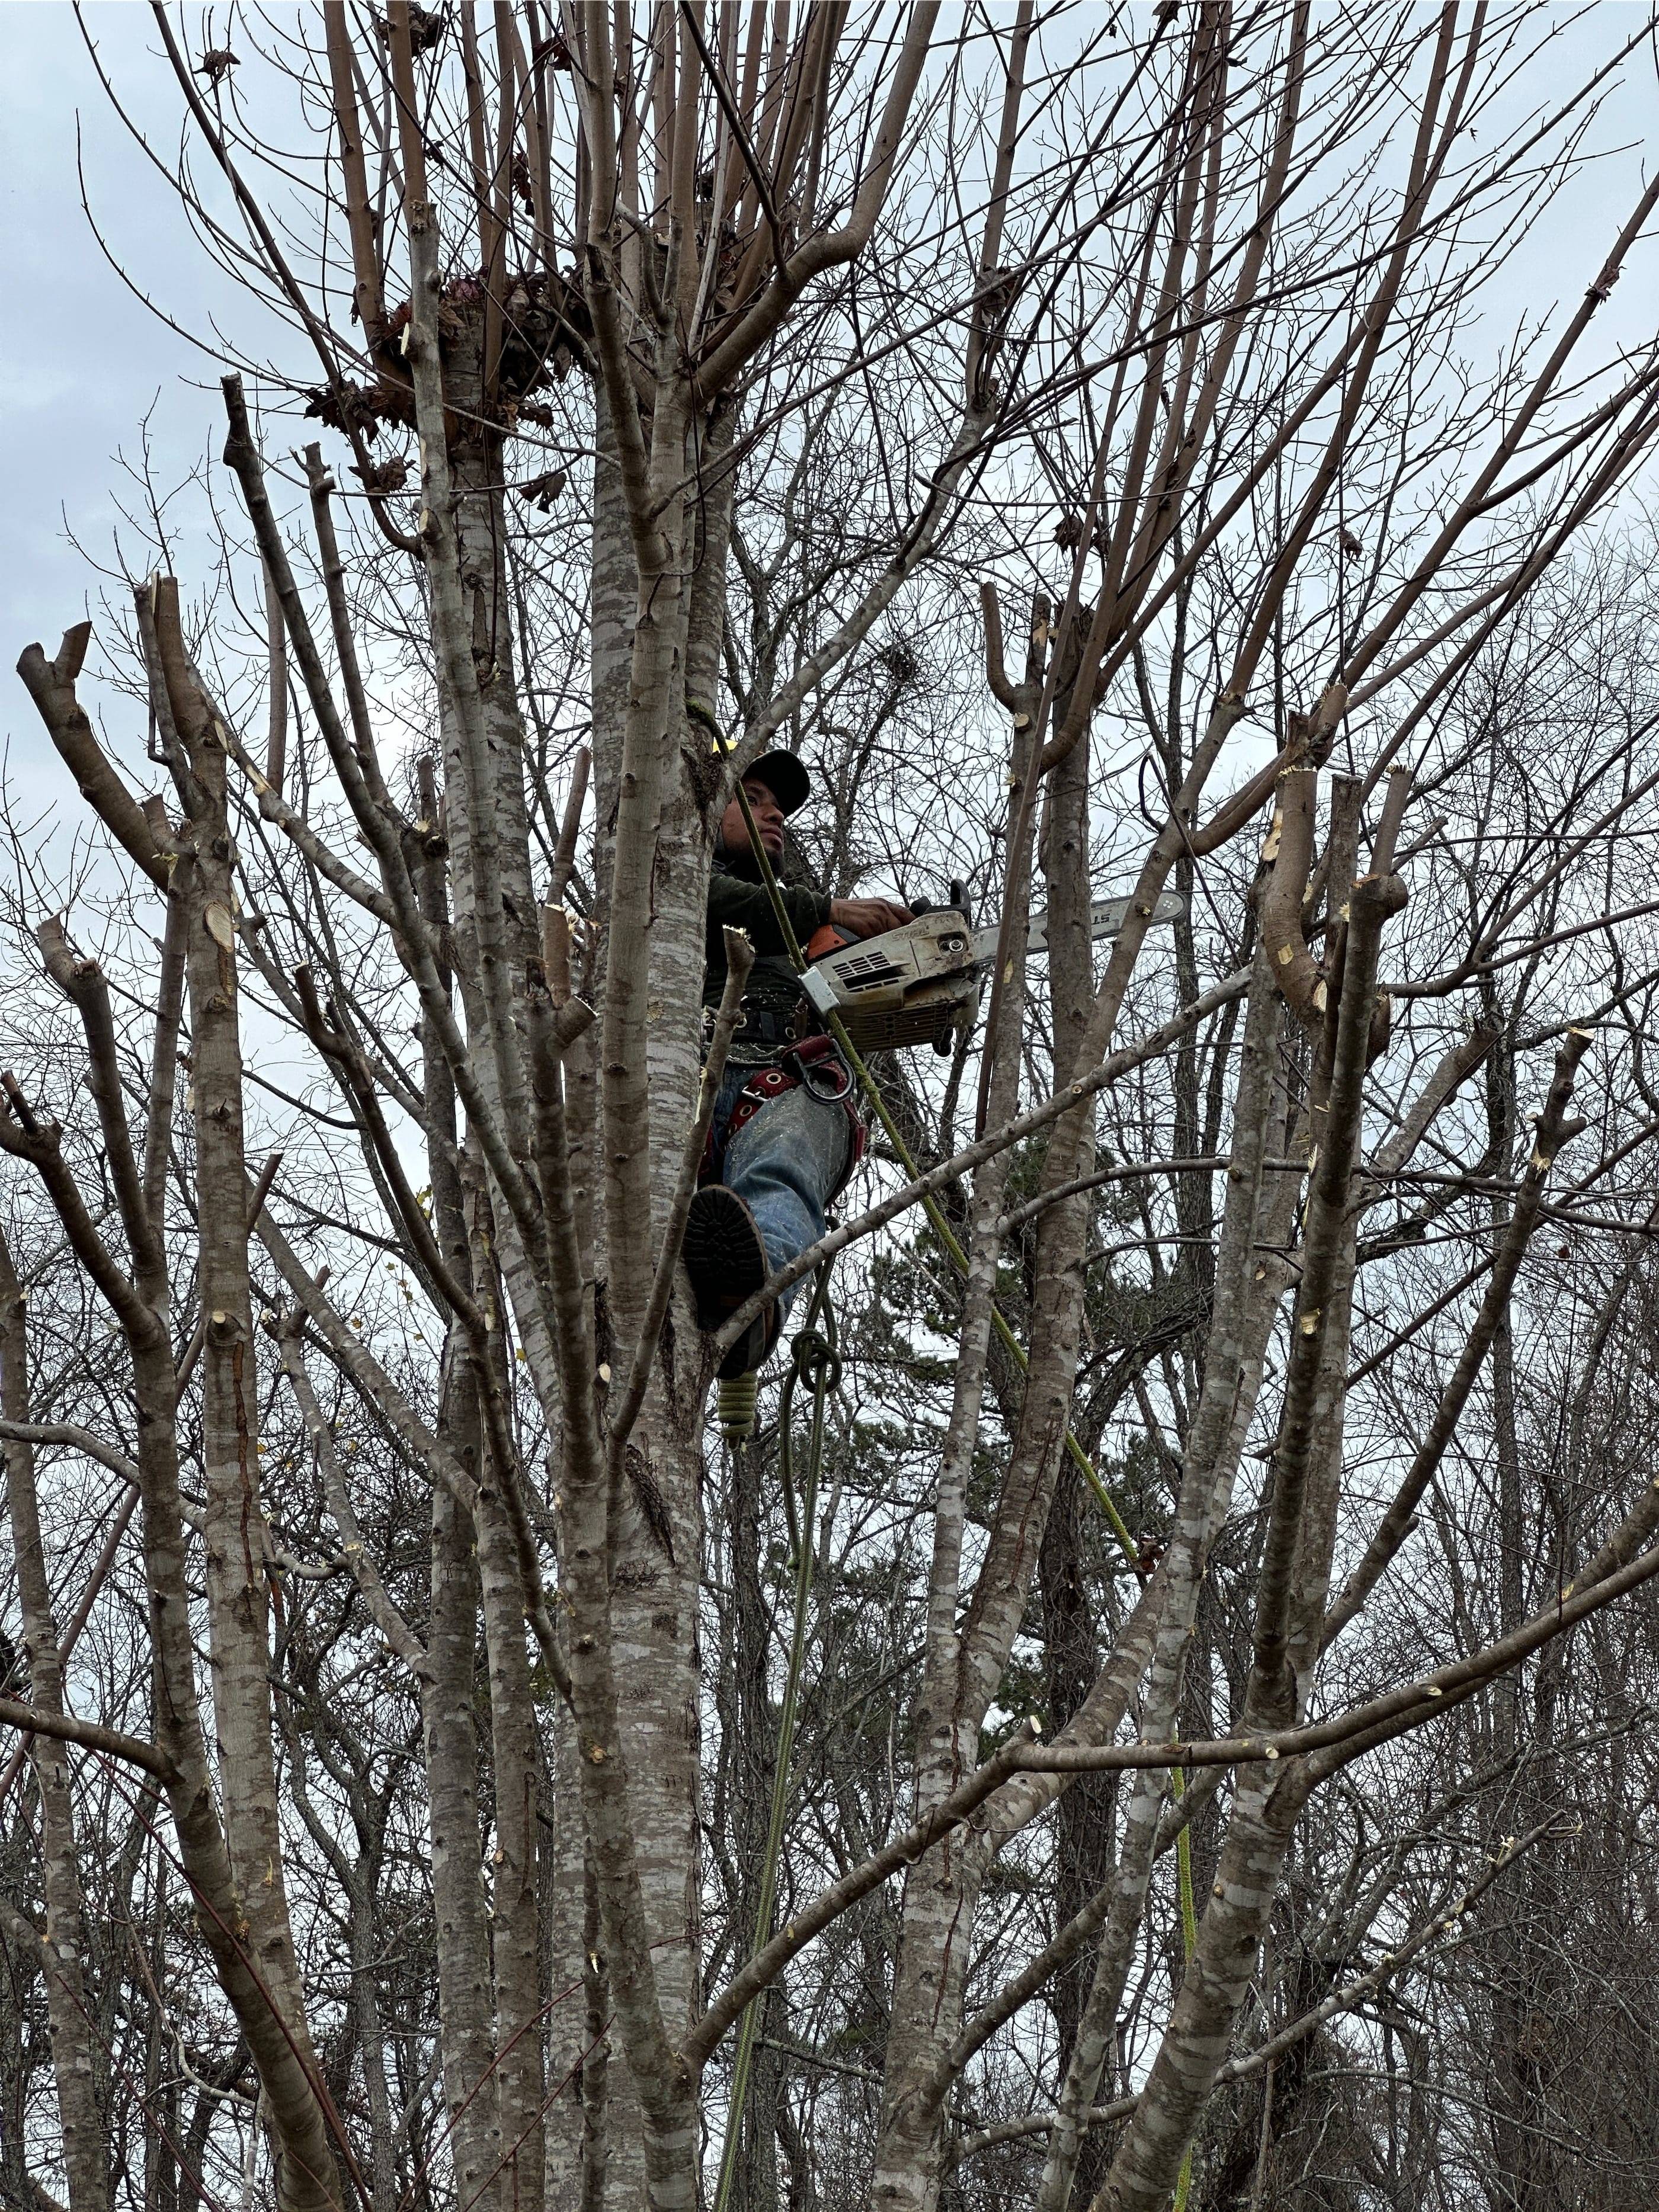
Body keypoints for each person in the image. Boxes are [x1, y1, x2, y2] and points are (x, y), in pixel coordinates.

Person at [684, 751, 911, 1379]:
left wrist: (909, 945)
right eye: (753, 798)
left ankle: (747, 1305)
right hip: (686, 1073)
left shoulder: (807, 927)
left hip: (783, 1083)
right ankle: (711, 1271)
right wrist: (828, 909)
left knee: (780, 1172)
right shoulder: (679, 884)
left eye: (778, 805)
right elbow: (707, 898)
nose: (774, 812)